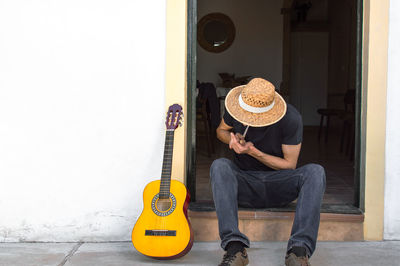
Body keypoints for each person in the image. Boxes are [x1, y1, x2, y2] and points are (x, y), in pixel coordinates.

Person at [211, 78, 326, 266]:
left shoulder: (290, 117)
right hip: (245, 183)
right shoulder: (237, 107)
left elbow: (290, 165)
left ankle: (298, 250)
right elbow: (220, 131)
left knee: (315, 172)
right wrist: (231, 139)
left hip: (279, 185)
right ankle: (235, 247)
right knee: (220, 166)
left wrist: (255, 153)